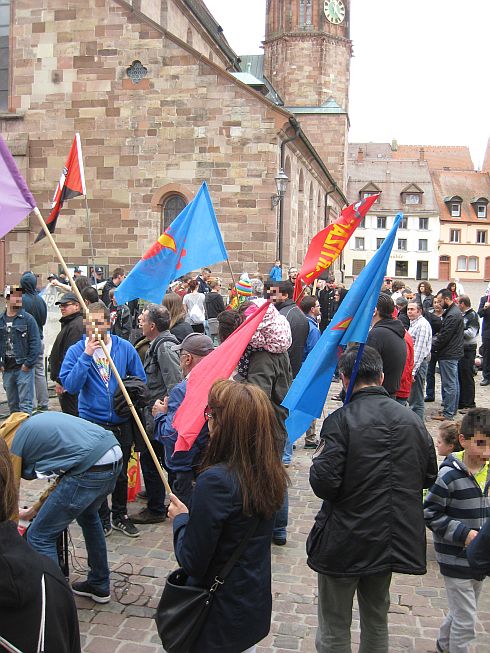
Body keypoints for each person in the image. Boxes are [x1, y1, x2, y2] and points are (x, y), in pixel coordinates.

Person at [309, 345, 437, 653]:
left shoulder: (340, 420)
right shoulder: (412, 421)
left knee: (334, 624)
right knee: (377, 618)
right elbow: (429, 475)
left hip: (344, 539)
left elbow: (324, 483)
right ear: (380, 376)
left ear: (343, 378)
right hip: (388, 538)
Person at [167, 379, 288, 653]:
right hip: (250, 605)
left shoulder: (217, 482)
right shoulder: (269, 471)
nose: (207, 422)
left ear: (226, 426)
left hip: (218, 615)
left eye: (211, 415)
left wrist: (181, 520)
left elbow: (193, 561)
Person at [1, 410, 123, 605]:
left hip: (91, 466)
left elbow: (9, 497)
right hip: (112, 453)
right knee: (89, 517)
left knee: (40, 536)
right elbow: (64, 481)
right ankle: (99, 584)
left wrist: (11, 530)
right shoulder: (28, 425)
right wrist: (33, 510)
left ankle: (56, 603)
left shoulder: (9, 448)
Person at [59, 301, 145, 538]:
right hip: (92, 421)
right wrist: (86, 355)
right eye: (89, 323)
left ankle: (120, 515)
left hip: (121, 420)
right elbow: (70, 386)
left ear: (108, 322)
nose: (93, 328)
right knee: (96, 471)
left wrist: (129, 392)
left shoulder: (124, 348)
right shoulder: (77, 350)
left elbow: (140, 380)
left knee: (120, 471)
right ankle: (101, 515)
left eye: (98, 323)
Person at [0, 438, 81, 652]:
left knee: (39, 535)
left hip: (87, 468)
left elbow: (59, 480)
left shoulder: (20, 441)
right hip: (102, 461)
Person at [424, 408, 490, 653]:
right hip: (455, 557)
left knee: (461, 608)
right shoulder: (449, 476)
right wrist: (464, 534)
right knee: (466, 618)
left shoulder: (488, 471)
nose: (487, 452)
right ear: (463, 440)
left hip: (479, 557)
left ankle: (443, 644)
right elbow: (430, 513)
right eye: (481, 443)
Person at [133, 304, 182, 524]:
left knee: (154, 459)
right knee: (155, 458)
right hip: (153, 412)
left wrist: (167, 413)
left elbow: (174, 384)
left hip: (159, 415)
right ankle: (156, 494)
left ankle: (156, 507)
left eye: (143, 320)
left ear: (152, 326)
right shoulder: (156, 344)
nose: (140, 324)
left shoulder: (165, 347)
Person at [153, 333, 214, 507]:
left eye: (181, 356)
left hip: (187, 467)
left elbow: (172, 435)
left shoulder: (182, 391)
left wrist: (160, 415)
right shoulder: (221, 383)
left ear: (187, 359)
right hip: (211, 463)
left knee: (185, 521)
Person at [0, 285, 41, 415]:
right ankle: (15, 433)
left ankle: (26, 432)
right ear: (7, 298)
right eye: (14, 296)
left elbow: (35, 343)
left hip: (23, 367)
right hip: (7, 368)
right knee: (12, 405)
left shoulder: (28, 319)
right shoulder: (1, 320)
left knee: (25, 405)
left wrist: (28, 364)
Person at [431, 289, 464, 421]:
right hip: (452, 352)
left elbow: (445, 335)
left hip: (449, 353)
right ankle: (451, 409)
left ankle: (449, 413)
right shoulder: (453, 312)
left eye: (440, 301)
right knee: (453, 383)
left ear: (446, 299)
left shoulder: (452, 314)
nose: (438, 303)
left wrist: (433, 347)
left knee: (450, 384)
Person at [49, 291, 84, 416]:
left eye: (66, 305)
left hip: (68, 382)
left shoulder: (76, 326)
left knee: (72, 414)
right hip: (67, 380)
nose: (62, 308)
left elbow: (70, 356)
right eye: (60, 306)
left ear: (77, 306)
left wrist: (61, 380)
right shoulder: (69, 323)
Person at [366, 293, 406, 398]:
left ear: (374, 311)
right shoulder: (393, 330)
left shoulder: (377, 334)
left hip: (376, 396)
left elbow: (366, 368)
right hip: (388, 394)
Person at [20, 271, 49, 412]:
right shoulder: (41, 300)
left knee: (27, 372)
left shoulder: (21, 300)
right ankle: (43, 403)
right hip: (39, 338)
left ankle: (29, 405)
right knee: (39, 372)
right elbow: (43, 320)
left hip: (25, 342)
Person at [269, 280, 309, 379]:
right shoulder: (297, 312)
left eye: (274, 293)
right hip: (292, 371)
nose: (271, 297)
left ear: (285, 295)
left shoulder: (282, 316)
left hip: (284, 372)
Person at [300, 295, 321, 449]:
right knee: (309, 404)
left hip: (299, 368)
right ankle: (311, 437)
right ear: (312, 309)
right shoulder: (312, 329)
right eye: (318, 306)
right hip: (307, 371)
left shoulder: (303, 324)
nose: (320, 308)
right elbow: (314, 353)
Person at [407, 301, 432, 422]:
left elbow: (419, 351)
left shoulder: (422, 325)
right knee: (413, 398)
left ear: (419, 311)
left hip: (418, 365)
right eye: (408, 309)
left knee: (417, 400)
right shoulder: (414, 324)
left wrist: (412, 371)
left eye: (412, 309)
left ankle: (418, 426)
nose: (409, 312)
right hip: (413, 364)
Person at [457, 295, 479, 412]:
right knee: (461, 374)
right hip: (461, 348)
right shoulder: (463, 315)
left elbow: (471, 333)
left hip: (469, 348)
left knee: (467, 375)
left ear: (462, 304)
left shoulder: (472, 315)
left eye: (458, 303)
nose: (456, 305)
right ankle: (462, 400)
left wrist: (458, 330)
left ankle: (469, 403)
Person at [425, 295, 444, 402]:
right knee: (429, 372)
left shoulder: (446, 315)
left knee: (443, 373)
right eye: (435, 302)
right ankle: (429, 393)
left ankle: (444, 396)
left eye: (438, 302)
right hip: (431, 346)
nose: (436, 304)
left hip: (442, 346)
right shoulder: (429, 314)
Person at [204, 279, 225, 344]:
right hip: (216, 321)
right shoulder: (218, 297)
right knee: (220, 342)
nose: (220, 287)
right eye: (219, 285)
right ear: (216, 286)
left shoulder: (206, 296)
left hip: (207, 320)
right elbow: (222, 309)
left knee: (209, 343)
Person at [477, 284, 490, 387]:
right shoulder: (484, 299)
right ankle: (486, 376)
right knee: (486, 355)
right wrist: (485, 308)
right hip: (487, 332)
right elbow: (479, 313)